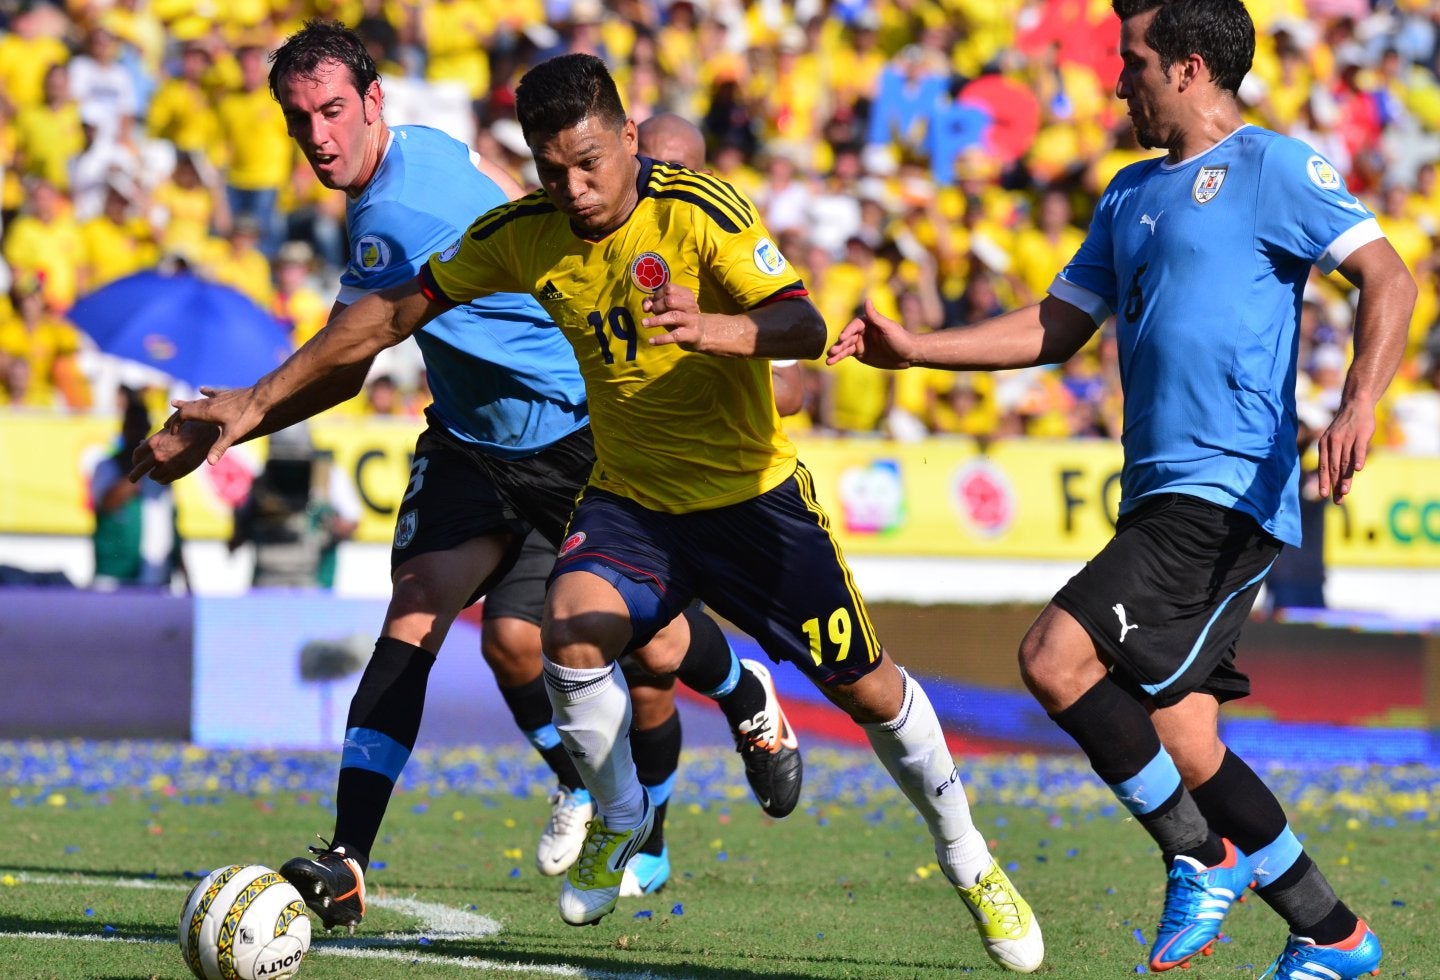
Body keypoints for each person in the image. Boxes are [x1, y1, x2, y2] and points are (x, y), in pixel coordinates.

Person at [157, 52, 1043, 972]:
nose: (573, 190)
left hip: (746, 498)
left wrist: (721, 330)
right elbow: (387, 317)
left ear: (629, 139)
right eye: (551, 170)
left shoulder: (700, 210)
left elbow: (805, 327)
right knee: (563, 634)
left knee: (867, 687)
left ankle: (968, 858)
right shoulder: (526, 231)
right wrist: (253, 404)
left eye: (589, 165)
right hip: (628, 499)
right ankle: (620, 820)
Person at [130, 24, 801, 931]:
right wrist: (237, 424)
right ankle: (348, 859)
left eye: (333, 112)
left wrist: (245, 409)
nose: (319, 137)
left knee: (658, 643)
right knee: (418, 605)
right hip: (470, 439)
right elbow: (349, 366)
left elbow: (361, 341)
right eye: (300, 122)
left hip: (571, 430)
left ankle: (746, 693)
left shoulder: (403, 206)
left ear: (373, 102)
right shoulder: (407, 164)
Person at [827, 2, 1412, 976]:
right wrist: (914, 349)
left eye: (1131, 61)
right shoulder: (1129, 194)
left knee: (1055, 656)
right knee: (1187, 738)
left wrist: (1356, 405)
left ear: (1187, 68)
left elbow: (1388, 277)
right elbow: (1056, 326)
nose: (1115, 81)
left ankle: (1195, 855)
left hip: (1224, 493)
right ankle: (1335, 933)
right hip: (1158, 493)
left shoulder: (1276, 168)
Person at [635, 111, 805, 418]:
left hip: (726, 456)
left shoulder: (732, 251)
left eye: (675, 171)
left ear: (707, 180)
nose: (658, 182)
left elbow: (790, 393)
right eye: (647, 167)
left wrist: (689, 387)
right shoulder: (596, 237)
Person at [91, 386, 184, 591]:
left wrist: (185, 575)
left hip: (156, 577)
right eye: (132, 426)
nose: (137, 433)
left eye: (141, 427)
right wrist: (138, 471)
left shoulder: (160, 473)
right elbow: (108, 502)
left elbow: (173, 525)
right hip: (115, 578)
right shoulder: (106, 466)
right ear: (123, 428)